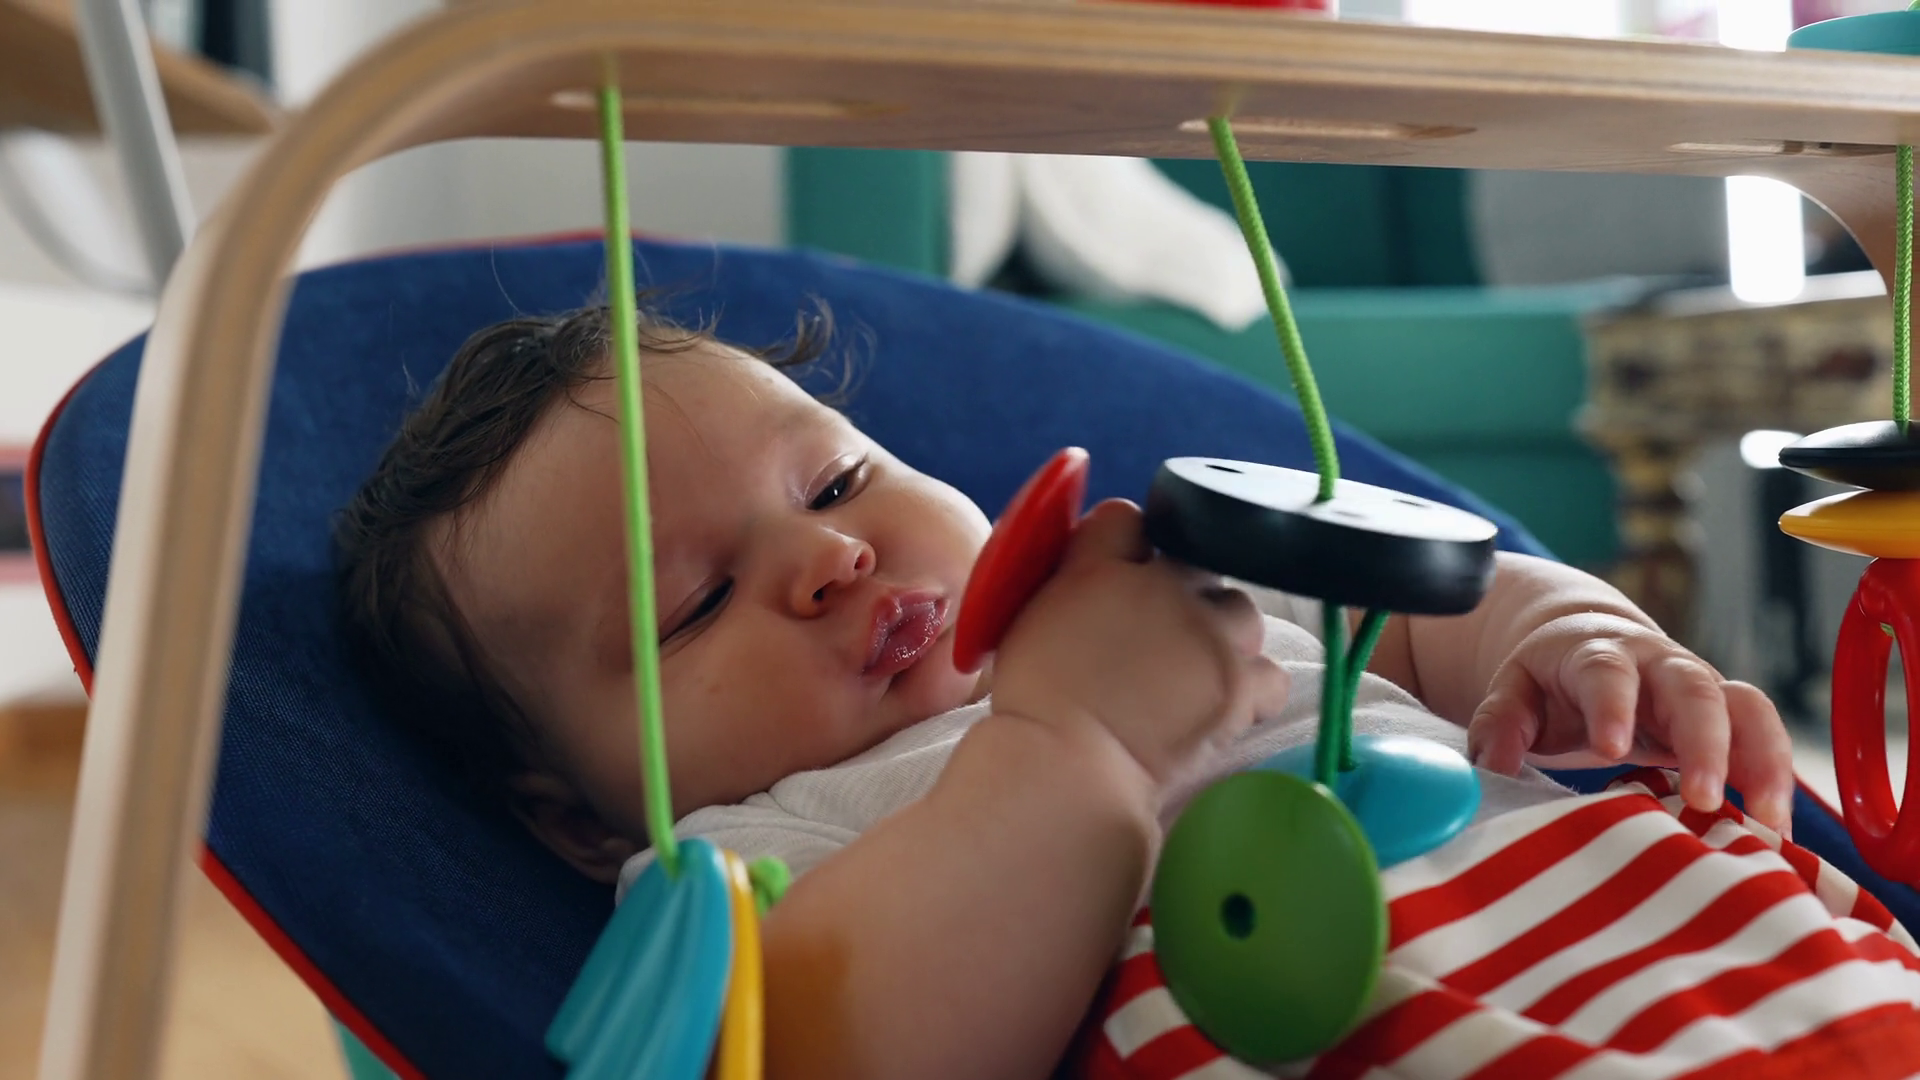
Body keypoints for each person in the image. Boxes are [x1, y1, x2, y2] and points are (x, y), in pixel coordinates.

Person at [339, 304, 1885, 1080]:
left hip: (1746, 950)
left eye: (837, 480)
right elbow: (852, 1047)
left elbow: (1432, 619)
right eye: (693, 605)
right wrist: (1068, 739)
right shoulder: (747, 864)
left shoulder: (1161, 583)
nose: (827, 559)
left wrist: (1580, 632)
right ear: (578, 815)